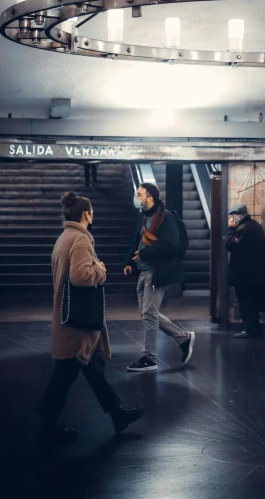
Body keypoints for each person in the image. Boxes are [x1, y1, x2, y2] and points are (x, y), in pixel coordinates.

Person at [37, 191, 144, 444]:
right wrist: (100, 269)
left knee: (90, 369)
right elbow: (81, 276)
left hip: (68, 317)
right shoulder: (81, 240)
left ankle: (117, 414)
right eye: (92, 211)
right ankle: (46, 425)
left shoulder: (64, 237)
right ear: (87, 214)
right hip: (78, 323)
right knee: (67, 373)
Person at [124, 182, 195, 371]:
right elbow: (137, 241)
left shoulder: (166, 218)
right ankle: (184, 338)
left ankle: (149, 358)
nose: (136, 197)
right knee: (148, 313)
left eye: (139, 194)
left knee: (149, 314)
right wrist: (129, 262)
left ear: (150, 198)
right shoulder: (144, 217)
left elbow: (170, 246)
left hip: (157, 273)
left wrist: (145, 254)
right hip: (144, 270)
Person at [225, 202, 265, 339]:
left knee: (246, 302)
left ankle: (250, 329)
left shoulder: (244, 229)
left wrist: (230, 229)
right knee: (251, 301)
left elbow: (230, 245)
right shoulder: (253, 225)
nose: (231, 219)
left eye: (233, 216)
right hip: (254, 274)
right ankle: (253, 328)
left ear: (238, 216)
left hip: (246, 275)